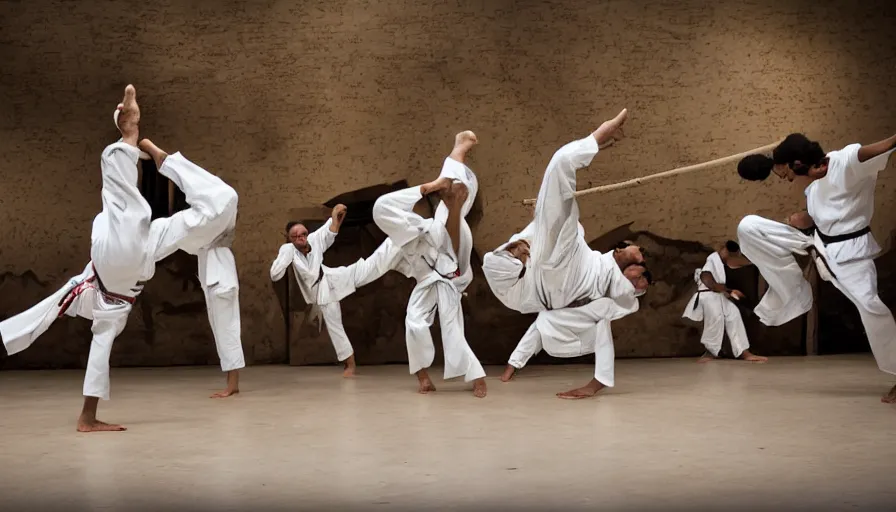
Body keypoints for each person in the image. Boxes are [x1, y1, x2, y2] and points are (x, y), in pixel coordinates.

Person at [1, 85, 151, 432]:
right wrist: (134, 137)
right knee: (129, 210)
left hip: (106, 282)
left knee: (127, 211)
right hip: (109, 271)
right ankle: (129, 133)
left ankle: (87, 416)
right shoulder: (127, 228)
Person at [736, 132, 896, 402]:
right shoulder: (812, 184)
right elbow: (825, 213)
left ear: (797, 163)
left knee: (872, 309)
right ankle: (796, 291)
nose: (785, 178)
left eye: (785, 172)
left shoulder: (846, 161)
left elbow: (887, 144)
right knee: (749, 227)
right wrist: (804, 218)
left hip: (850, 254)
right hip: (816, 242)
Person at [482, 109, 648, 318]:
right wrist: (543, 217)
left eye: (641, 259)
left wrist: (598, 136)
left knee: (561, 164)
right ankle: (532, 237)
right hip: (544, 282)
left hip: (546, 276)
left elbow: (561, 165)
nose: (639, 250)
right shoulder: (589, 261)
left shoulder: (618, 288)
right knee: (573, 227)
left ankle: (601, 134)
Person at [371, 131, 487, 397]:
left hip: (449, 272)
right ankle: (423, 377)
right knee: (414, 323)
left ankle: (477, 376)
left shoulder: (441, 223)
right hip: (426, 273)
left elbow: (457, 252)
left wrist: (453, 204)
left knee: (453, 329)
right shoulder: (402, 237)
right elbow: (369, 268)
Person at [137, 139, 245, 399]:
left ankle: (233, 383)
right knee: (225, 325)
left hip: (217, 263)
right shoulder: (202, 218)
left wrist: (151, 150)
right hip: (212, 258)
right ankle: (233, 382)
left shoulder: (222, 199)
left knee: (226, 325)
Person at [269, 206, 402, 377]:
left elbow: (330, 229)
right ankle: (350, 364)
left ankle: (395, 243)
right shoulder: (288, 251)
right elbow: (274, 274)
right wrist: (288, 252)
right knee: (335, 326)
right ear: (289, 239)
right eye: (295, 236)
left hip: (332, 278)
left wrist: (336, 215)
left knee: (366, 268)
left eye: (303, 234)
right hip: (321, 293)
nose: (301, 238)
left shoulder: (314, 240)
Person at [500, 261, 651, 399]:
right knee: (544, 318)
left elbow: (627, 295)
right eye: (633, 273)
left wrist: (635, 285)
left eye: (639, 279)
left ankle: (598, 383)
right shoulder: (598, 275)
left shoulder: (628, 301)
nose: (635, 278)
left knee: (603, 325)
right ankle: (512, 366)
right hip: (557, 337)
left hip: (582, 340)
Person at [682, 240, 767, 363]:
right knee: (715, 320)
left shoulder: (721, 263)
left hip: (718, 295)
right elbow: (706, 278)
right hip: (709, 296)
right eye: (727, 252)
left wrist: (730, 291)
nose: (728, 255)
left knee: (734, 315)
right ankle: (710, 352)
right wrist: (730, 291)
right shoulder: (713, 259)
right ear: (722, 249)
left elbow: (718, 284)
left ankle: (744, 352)